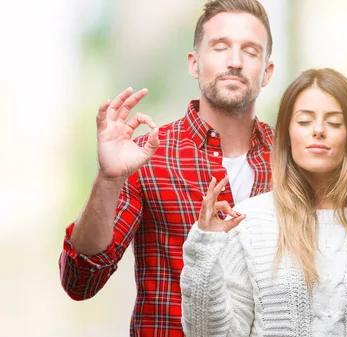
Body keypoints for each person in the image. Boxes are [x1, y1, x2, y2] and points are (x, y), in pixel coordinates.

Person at [59, 0, 276, 335]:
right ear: (194, 63)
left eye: (250, 51)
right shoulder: (147, 156)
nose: (235, 61)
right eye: (220, 47)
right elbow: (80, 282)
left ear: (267, 72)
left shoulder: (291, 159)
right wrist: (108, 177)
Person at [180, 68, 347, 336]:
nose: (319, 130)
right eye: (305, 121)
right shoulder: (248, 222)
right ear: (286, 134)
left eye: (334, 122)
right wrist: (204, 251)